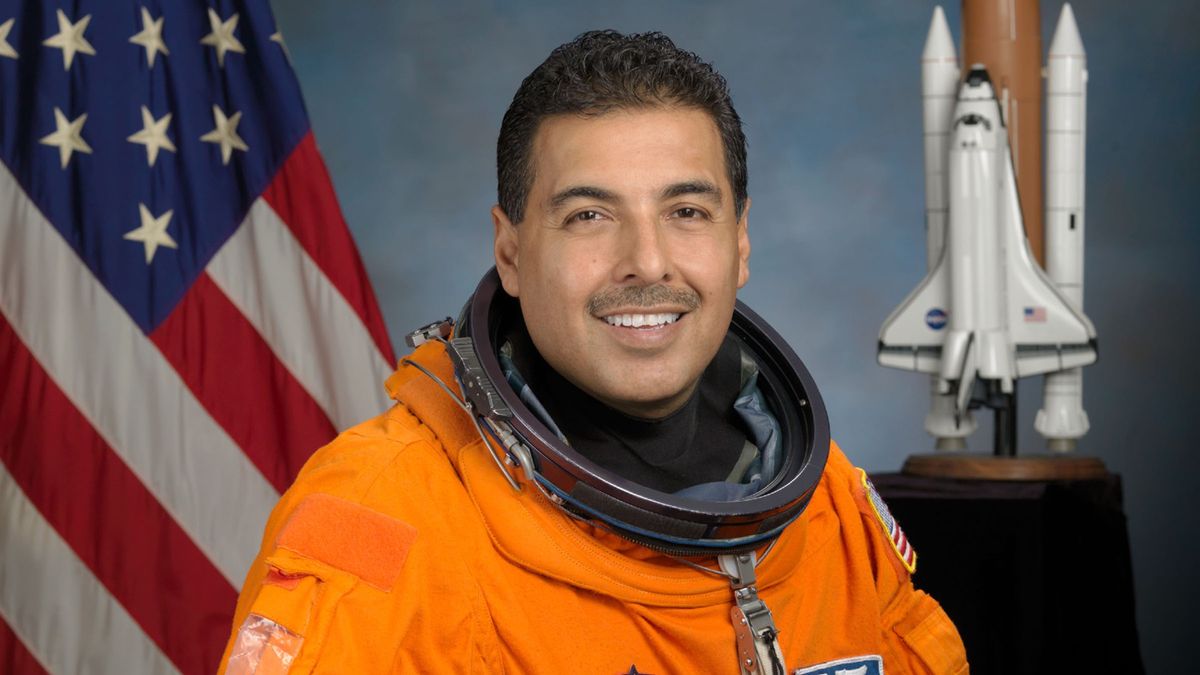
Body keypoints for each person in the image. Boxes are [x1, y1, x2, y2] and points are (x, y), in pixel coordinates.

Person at [220, 30, 968, 674]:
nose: (646, 261)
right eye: (588, 215)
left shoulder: (826, 502)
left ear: (739, 243)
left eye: (685, 211)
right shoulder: (380, 519)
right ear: (510, 251)